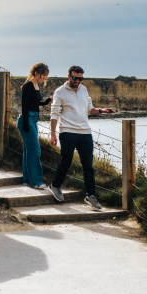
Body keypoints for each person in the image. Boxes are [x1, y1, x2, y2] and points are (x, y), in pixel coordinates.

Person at [47, 65, 115, 210]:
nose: (77, 81)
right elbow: (54, 114)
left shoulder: (84, 89)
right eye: (75, 78)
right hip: (67, 132)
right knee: (66, 161)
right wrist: (53, 134)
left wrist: (102, 110)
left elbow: (90, 109)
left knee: (88, 166)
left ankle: (90, 195)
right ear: (69, 76)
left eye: (80, 78)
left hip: (85, 132)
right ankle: (55, 185)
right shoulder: (60, 92)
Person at [17, 63, 52, 189]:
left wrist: (47, 101)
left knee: (29, 150)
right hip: (26, 120)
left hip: (33, 119)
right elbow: (25, 106)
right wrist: (26, 124)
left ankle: (27, 179)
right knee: (35, 150)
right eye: (44, 74)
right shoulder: (28, 85)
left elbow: (36, 103)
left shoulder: (36, 85)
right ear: (37, 72)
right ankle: (37, 181)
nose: (45, 77)